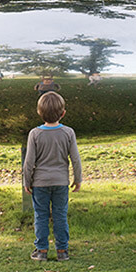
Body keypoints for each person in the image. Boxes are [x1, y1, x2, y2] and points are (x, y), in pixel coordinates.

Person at [23, 91, 82, 262]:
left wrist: (27, 181)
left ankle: (41, 250)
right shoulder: (68, 132)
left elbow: (29, 162)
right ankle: (62, 251)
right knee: (60, 215)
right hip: (61, 182)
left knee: (41, 215)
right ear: (63, 113)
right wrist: (77, 179)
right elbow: (75, 159)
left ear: (39, 113)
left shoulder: (34, 134)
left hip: (40, 183)